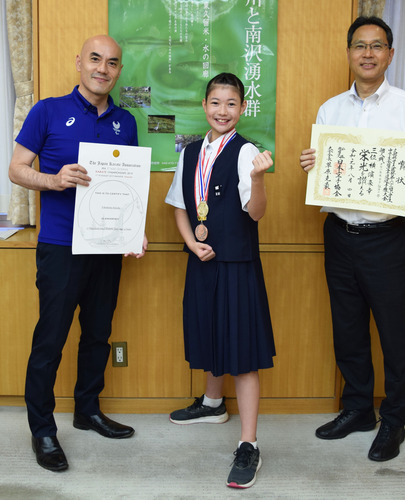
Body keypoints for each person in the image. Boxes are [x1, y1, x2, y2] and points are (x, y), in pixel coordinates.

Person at [300, 16, 405, 462]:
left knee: (394, 333)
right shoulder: (330, 110)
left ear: (390, 54)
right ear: (349, 53)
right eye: (359, 46)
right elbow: (328, 169)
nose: (367, 53)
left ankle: (394, 421)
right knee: (348, 329)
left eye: (376, 46)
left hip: (386, 239)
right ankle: (358, 409)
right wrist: (314, 164)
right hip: (339, 234)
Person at [9, 35, 147, 472]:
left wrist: (133, 230)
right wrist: (53, 179)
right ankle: (43, 429)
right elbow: (16, 169)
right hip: (59, 245)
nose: (102, 69)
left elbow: (126, 187)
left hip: (107, 246)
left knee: (97, 333)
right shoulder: (47, 110)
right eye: (94, 59)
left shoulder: (126, 122)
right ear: (79, 63)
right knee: (50, 338)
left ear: (118, 71)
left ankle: (87, 410)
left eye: (112, 63)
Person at [165, 73, 275, 488]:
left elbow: (257, 213)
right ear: (205, 105)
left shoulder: (247, 153)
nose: (222, 111)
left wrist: (260, 178)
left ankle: (249, 444)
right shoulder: (191, 151)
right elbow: (178, 205)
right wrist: (192, 242)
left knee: (242, 351)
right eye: (215, 102)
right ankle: (213, 403)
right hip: (202, 258)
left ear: (242, 108)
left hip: (237, 263)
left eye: (231, 104)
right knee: (208, 330)